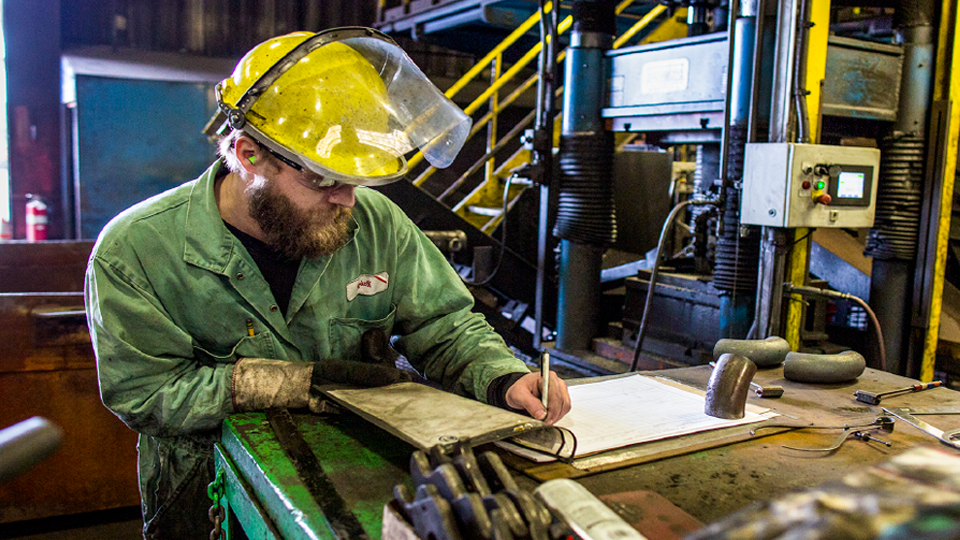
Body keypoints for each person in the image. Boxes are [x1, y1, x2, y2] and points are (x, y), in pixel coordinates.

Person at [84, 27, 571, 540]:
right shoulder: (136, 250)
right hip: (206, 495)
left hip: (357, 478)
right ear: (249, 156)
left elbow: (444, 325)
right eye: (322, 178)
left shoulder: (378, 223)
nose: (347, 200)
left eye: (358, 179)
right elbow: (145, 393)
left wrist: (501, 377)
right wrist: (281, 384)